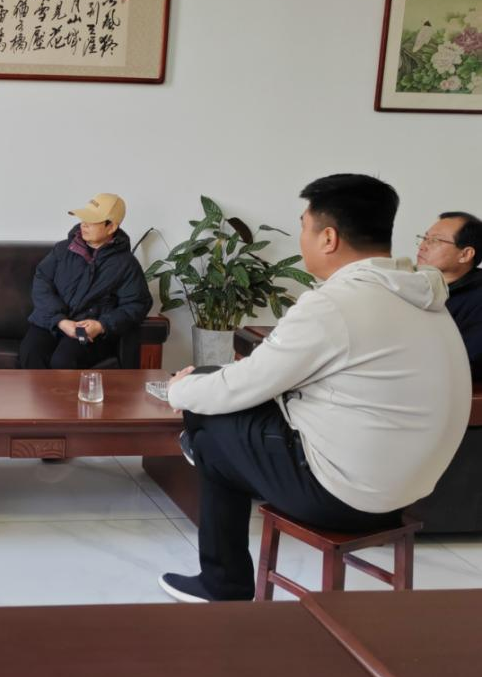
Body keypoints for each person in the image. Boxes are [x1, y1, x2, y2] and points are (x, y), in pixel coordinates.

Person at [158, 174, 471, 603]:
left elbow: (242, 387)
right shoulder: (423, 298)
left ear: (328, 237)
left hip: (346, 497)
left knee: (210, 426)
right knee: (217, 387)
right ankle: (200, 447)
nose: (301, 238)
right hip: (409, 492)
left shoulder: (336, 304)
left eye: (304, 226)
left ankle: (222, 584)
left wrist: (178, 390)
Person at [19, 192, 151, 369]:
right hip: (53, 321)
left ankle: (65, 390)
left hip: (88, 331)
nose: (84, 224)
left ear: (111, 227)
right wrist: (60, 320)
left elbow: (137, 304)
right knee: (30, 353)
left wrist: (101, 325)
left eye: (92, 220)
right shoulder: (62, 250)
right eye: (83, 218)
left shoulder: (126, 264)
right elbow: (42, 283)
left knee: (63, 361)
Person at [418, 211, 482, 380]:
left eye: (435, 241)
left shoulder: (478, 299)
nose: (422, 246)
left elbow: (466, 362)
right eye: (424, 238)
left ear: (465, 255)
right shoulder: (415, 286)